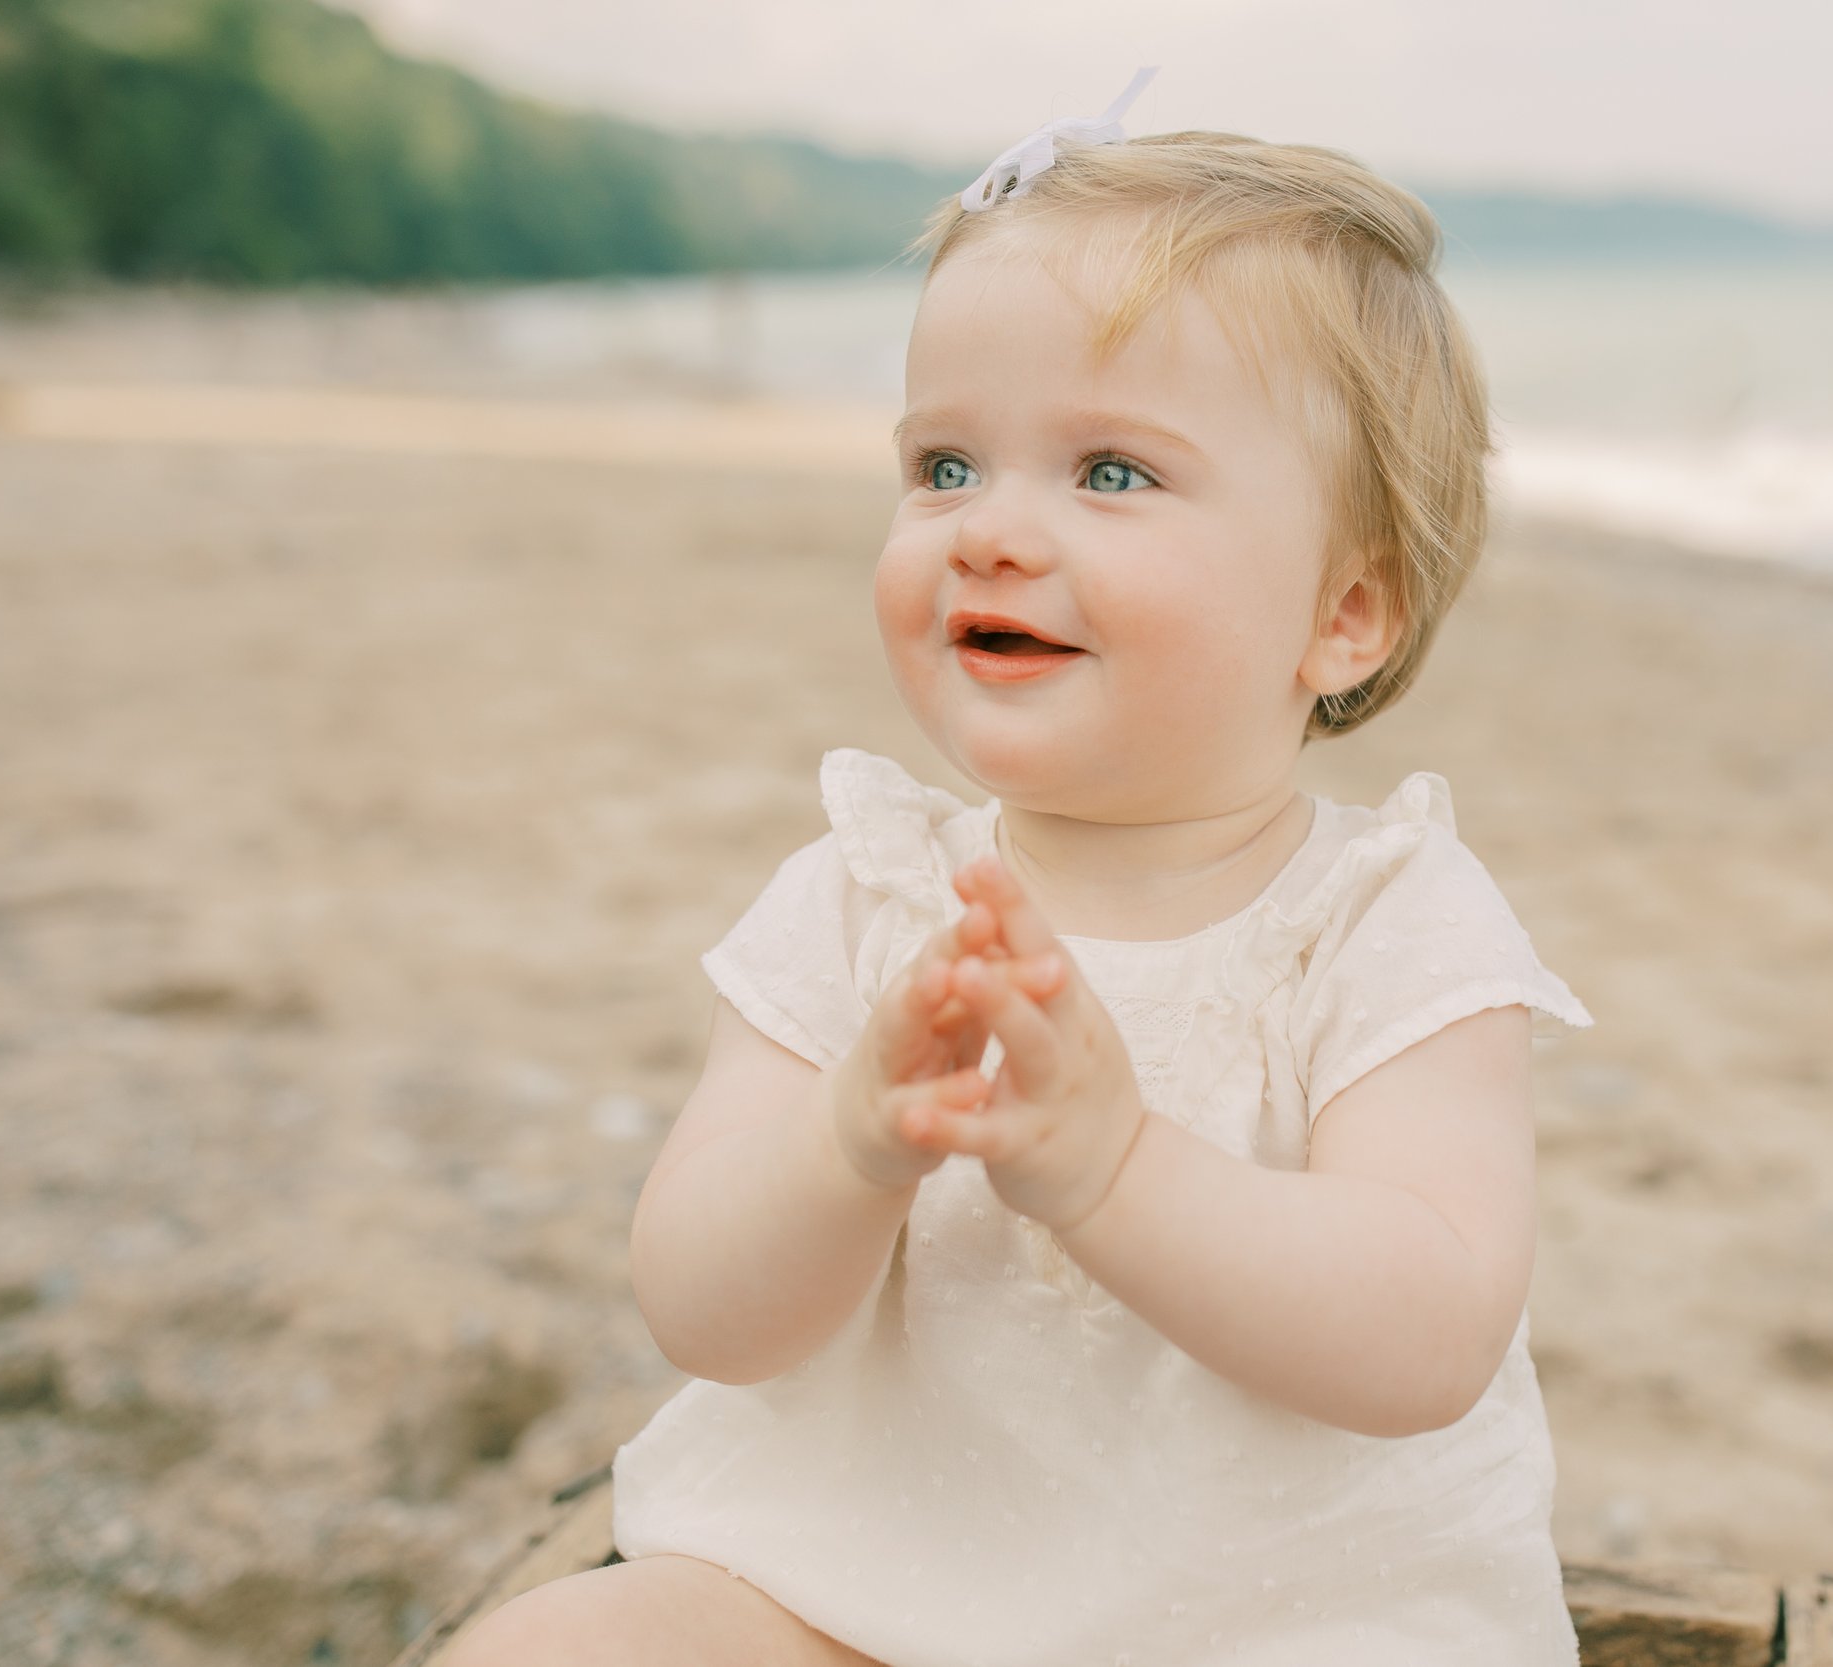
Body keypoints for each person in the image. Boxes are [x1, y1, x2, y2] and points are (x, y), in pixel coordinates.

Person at [440, 67, 1593, 1667]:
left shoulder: (1387, 922)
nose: (987, 531)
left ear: (1346, 613)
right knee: (544, 1651)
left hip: (1284, 1626)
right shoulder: (863, 892)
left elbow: (1428, 1333)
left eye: (1111, 473)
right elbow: (705, 1313)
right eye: (944, 466)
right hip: (854, 1599)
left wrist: (1115, 1167)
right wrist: (850, 1142)